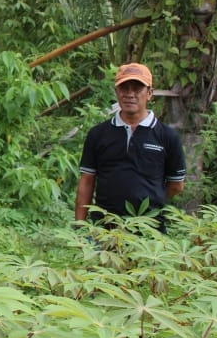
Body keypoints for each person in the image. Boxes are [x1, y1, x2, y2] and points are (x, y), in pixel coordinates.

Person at [75, 62, 186, 229]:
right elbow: (87, 182)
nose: (130, 94)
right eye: (124, 88)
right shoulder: (98, 134)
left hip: (149, 231)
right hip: (104, 229)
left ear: (149, 93)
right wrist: (80, 228)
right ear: (116, 92)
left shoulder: (167, 137)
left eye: (137, 88)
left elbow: (176, 185)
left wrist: (150, 201)